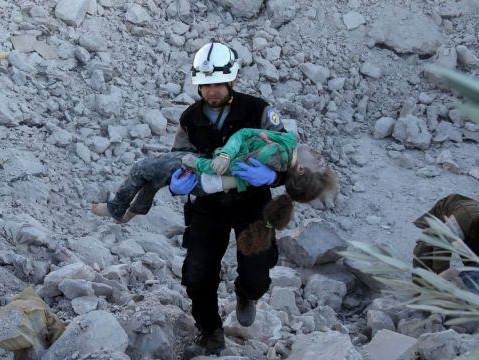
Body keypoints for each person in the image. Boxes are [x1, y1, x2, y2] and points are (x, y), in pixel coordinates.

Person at [149, 41, 332, 356]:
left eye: (218, 84)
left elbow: (289, 156)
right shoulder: (190, 118)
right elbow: (179, 155)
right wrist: (177, 180)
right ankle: (210, 332)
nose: (212, 91)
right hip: (208, 205)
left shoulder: (258, 111)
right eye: (205, 85)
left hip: (252, 204)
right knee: (196, 274)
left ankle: (247, 295)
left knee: (257, 273)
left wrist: (272, 178)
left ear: (231, 80)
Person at [91, 128, 338, 257]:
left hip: (205, 174)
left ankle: (116, 209)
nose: (319, 156)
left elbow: (227, 166)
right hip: (210, 174)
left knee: (141, 169)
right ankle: (131, 214)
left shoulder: (273, 156)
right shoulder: (286, 150)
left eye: (318, 162)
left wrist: (195, 163)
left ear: (302, 170)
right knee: (154, 177)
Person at [412, 193, 479, 275]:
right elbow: (441, 246)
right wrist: (444, 275)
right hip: (448, 211)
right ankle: (420, 290)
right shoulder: (464, 218)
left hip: (470, 231)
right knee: (425, 247)